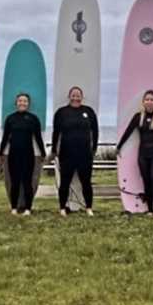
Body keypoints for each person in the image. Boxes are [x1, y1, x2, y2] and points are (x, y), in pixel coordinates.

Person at [116, 89, 153, 218]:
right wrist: (119, 146)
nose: (149, 102)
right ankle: (150, 209)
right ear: (143, 102)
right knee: (146, 181)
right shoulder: (138, 117)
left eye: (152, 100)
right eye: (147, 99)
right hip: (143, 154)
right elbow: (128, 132)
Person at [51, 86, 99, 217]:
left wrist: (94, 148)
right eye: (73, 95)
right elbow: (56, 133)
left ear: (82, 97)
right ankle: (62, 208)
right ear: (69, 96)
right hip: (66, 153)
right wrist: (54, 150)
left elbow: (95, 131)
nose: (76, 97)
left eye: (78, 95)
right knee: (65, 182)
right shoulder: (61, 112)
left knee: (86, 182)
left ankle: (89, 207)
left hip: (84, 154)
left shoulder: (88, 111)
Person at [0, 93, 46, 216]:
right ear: (16, 103)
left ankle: (28, 208)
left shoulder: (33, 119)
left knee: (27, 182)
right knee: (14, 182)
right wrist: (0, 153)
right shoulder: (10, 119)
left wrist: (43, 153)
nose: (22, 103)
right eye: (20, 101)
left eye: (25, 101)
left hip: (28, 155)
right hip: (13, 154)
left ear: (28, 104)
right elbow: (5, 138)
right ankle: (14, 208)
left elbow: (38, 138)